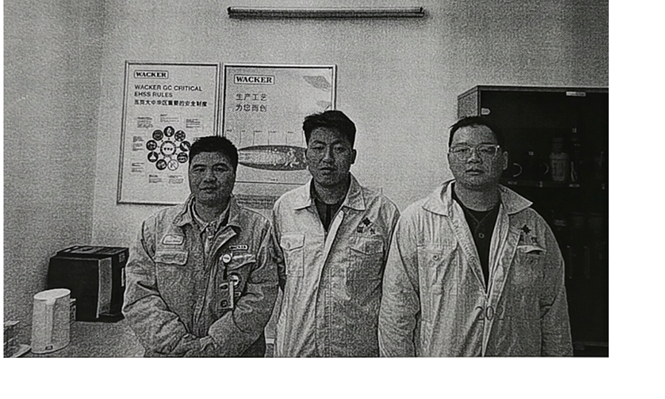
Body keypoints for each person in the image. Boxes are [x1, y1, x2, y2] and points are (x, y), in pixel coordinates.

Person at [378, 116, 572, 356]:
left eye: (486, 150)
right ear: (449, 159)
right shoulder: (416, 221)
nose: (473, 158)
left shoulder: (532, 224)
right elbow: (397, 309)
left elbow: (553, 311)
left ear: (504, 159)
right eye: (462, 150)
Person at [123, 136, 279, 357]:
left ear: (234, 174)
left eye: (219, 169)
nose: (208, 177)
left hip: (236, 355)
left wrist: (213, 347)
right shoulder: (155, 228)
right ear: (189, 173)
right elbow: (139, 297)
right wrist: (180, 345)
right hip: (169, 356)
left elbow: (260, 299)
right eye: (199, 169)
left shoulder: (258, 230)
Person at [272, 110, 400, 357]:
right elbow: (281, 276)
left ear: (353, 155)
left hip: (357, 350)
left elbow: (395, 288)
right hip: (298, 347)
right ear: (306, 154)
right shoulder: (285, 208)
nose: (327, 158)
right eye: (318, 148)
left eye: (338, 149)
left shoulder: (382, 212)